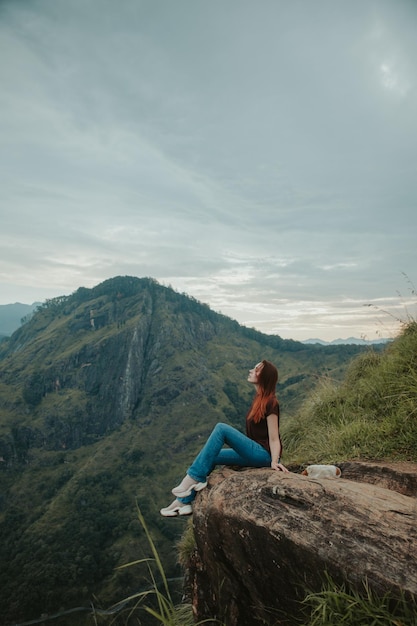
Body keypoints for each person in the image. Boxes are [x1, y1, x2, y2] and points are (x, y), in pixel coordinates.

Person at [160, 359, 289, 517]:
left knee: (221, 428)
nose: (250, 371)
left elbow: (274, 438)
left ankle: (192, 480)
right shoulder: (258, 400)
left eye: (256, 370)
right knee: (212, 456)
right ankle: (184, 502)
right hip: (252, 453)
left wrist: (274, 461)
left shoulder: (271, 403)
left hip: (262, 454)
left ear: (264, 376)